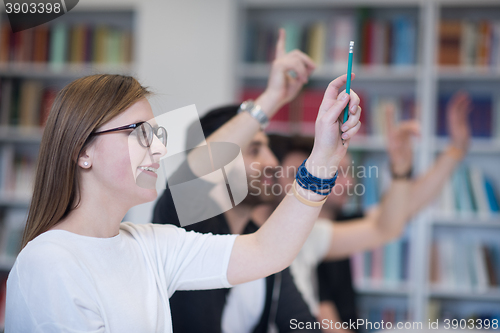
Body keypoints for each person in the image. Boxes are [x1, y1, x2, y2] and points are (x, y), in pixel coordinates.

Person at [5, 37, 364, 330]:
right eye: (139, 133)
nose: (159, 146)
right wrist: (272, 100)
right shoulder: (50, 262)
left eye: (158, 134)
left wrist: (323, 160)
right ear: (82, 151)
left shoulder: (150, 246)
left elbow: (267, 252)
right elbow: (194, 174)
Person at [258, 91, 472, 332]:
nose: (348, 183)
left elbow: (396, 216)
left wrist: (448, 154)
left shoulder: (326, 229)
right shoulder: (289, 240)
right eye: (337, 172)